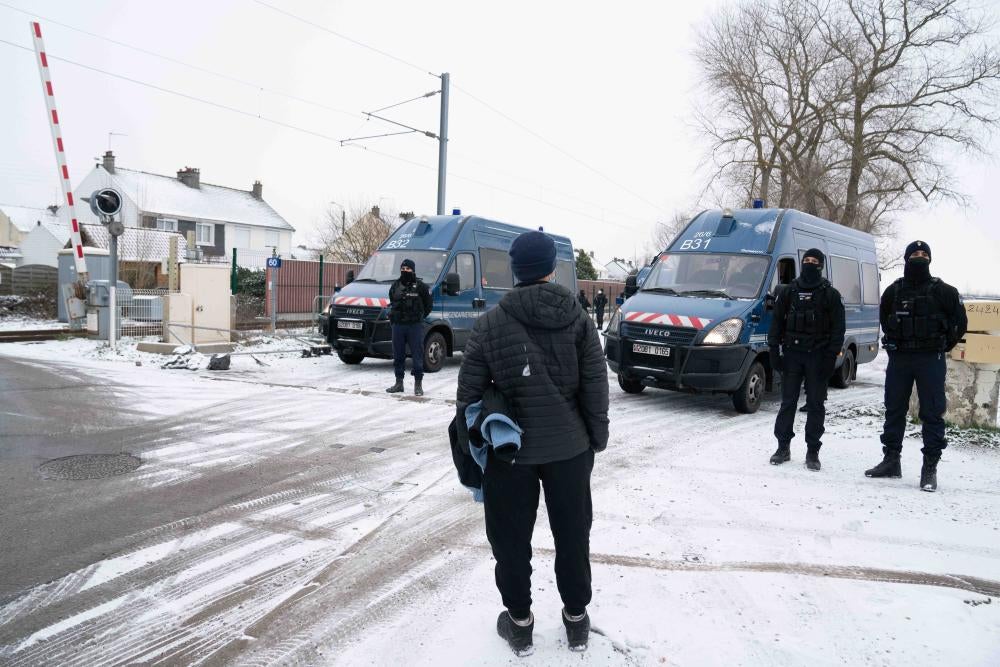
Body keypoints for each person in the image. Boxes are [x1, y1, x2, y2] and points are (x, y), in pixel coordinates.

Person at [457, 231, 609, 657]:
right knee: (573, 533)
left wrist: (478, 444)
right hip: (570, 449)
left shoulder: (490, 322)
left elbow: (467, 396)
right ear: (550, 269)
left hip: (511, 453)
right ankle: (576, 618)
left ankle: (519, 623)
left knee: (510, 538)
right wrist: (596, 437)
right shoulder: (578, 318)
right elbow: (595, 385)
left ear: (514, 271)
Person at [865, 241, 967, 492]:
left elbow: (959, 324)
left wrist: (942, 344)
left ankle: (929, 468)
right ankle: (891, 461)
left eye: (924, 254)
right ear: (906, 258)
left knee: (932, 412)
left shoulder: (945, 292)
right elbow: (885, 321)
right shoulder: (893, 291)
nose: (919, 257)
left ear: (930, 259)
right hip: (900, 358)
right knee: (894, 408)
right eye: (915, 254)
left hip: (930, 358)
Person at [768, 249, 845, 471]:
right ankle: (783, 447)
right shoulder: (789, 291)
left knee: (815, 405)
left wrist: (831, 358)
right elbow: (776, 324)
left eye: (814, 261)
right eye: (807, 261)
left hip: (818, 357)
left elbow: (838, 329)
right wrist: (774, 351)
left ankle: (813, 452)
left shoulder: (830, 294)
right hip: (792, 355)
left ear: (821, 266)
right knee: (788, 403)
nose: (810, 264)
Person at [385, 258, 432, 396]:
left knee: (417, 356)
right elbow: (392, 301)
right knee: (398, 355)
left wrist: (418, 318)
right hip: (398, 325)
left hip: (414, 326)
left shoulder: (422, 287)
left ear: (413, 270)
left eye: (408, 269)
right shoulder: (395, 286)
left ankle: (418, 385)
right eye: (403, 269)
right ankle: (399, 383)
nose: (404, 271)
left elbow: (428, 305)